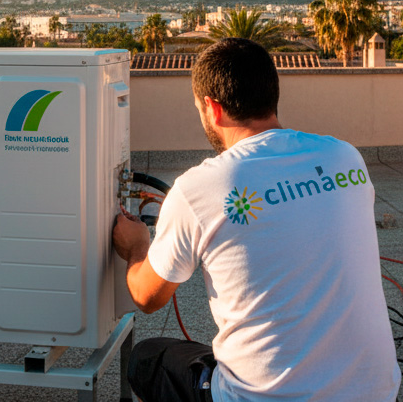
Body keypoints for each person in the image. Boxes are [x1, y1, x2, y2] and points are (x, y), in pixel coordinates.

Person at [113, 38, 401, 402]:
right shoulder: (345, 157)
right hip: (376, 392)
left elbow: (147, 296)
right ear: (272, 95)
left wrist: (136, 247)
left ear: (212, 108)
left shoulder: (199, 188)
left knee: (147, 358)